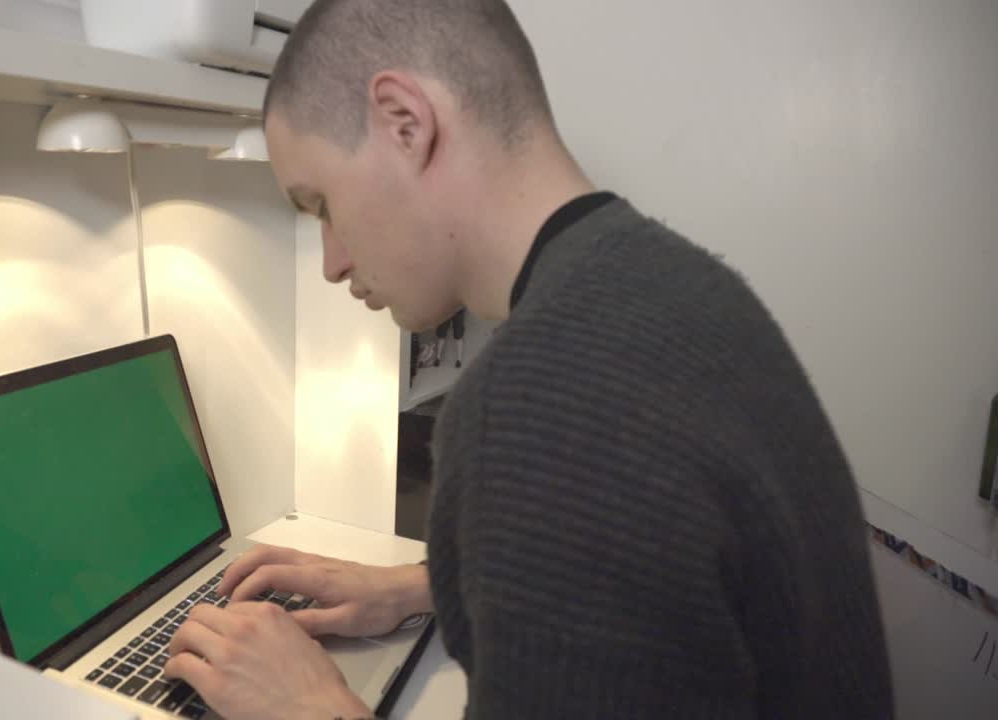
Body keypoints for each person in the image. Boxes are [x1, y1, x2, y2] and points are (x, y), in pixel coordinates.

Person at [163, 0, 895, 717]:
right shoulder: (677, 281)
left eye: (319, 202)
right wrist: (429, 585)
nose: (329, 260)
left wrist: (308, 705)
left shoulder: (535, 402)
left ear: (405, 123)